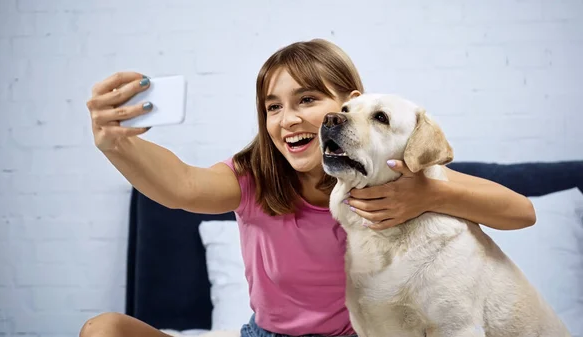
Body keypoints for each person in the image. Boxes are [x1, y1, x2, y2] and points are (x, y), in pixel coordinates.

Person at [81, 38, 536, 337]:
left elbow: (520, 212)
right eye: (273, 107)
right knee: (105, 329)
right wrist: (115, 143)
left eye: (307, 100)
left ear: (349, 106)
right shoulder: (255, 176)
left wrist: (431, 194)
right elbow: (182, 187)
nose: (288, 119)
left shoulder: (399, 174)